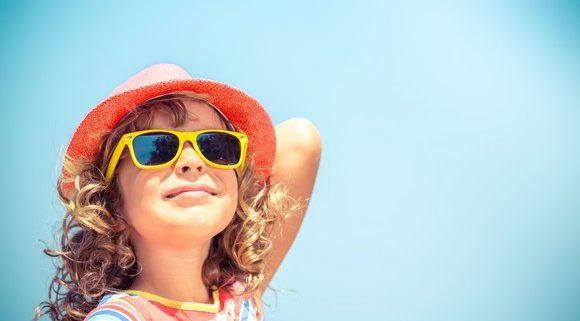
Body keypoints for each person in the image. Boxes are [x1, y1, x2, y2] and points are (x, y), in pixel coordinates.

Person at [35, 64, 322, 321]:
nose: (193, 161)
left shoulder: (237, 297)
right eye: (157, 146)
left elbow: (301, 139)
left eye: (215, 146)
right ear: (110, 201)